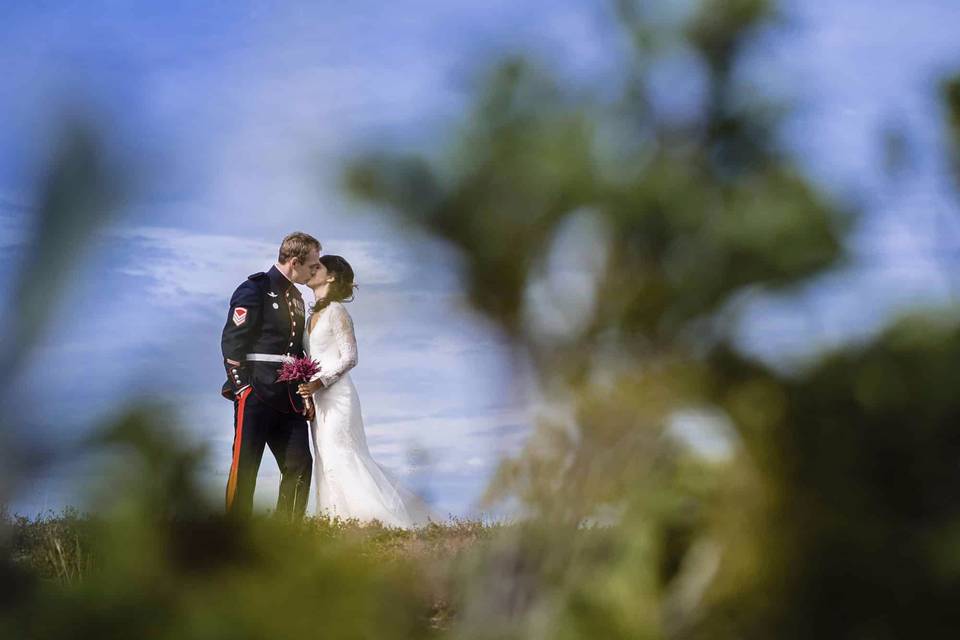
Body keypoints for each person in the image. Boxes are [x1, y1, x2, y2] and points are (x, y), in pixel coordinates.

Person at [298, 254, 435, 528]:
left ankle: (373, 521)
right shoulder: (311, 315)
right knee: (325, 456)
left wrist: (320, 383)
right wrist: (308, 395)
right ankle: (336, 521)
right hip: (317, 399)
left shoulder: (337, 311)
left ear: (332, 276)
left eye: (318, 267)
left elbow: (350, 357)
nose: (312, 270)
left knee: (342, 453)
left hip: (338, 396)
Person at [220, 232, 321, 519]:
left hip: (288, 397)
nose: (314, 270)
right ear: (294, 261)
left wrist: (304, 392)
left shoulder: (298, 299)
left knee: (300, 464)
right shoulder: (254, 289)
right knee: (246, 467)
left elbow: (297, 349)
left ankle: (286, 535)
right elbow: (232, 342)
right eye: (311, 265)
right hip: (256, 391)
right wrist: (242, 389)